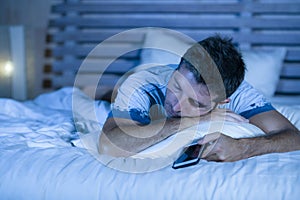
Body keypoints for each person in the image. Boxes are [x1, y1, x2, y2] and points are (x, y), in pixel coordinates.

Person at [98, 35, 300, 162]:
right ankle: (102, 91)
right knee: (112, 94)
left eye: (196, 103)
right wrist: (195, 119)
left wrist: (243, 148)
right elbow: (108, 146)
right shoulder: (143, 83)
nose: (176, 105)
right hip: (137, 90)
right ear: (177, 69)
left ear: (223, 103)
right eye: (177, 87)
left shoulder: (240, 94)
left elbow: (294, 138)